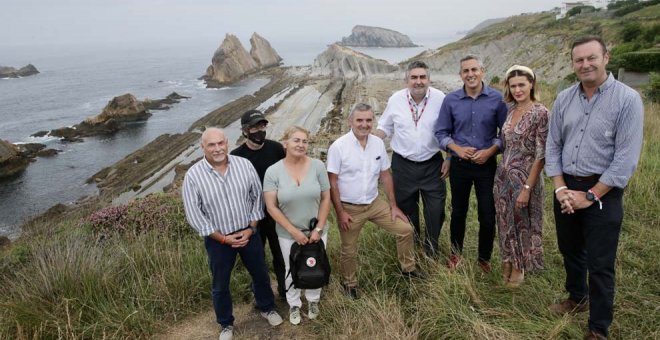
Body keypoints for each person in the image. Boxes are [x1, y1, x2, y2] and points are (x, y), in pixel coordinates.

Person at [545, 36, 643, 340]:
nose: (585, 64)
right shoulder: (564, 99)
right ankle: (578, 298)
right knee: (570, 249)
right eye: (578, 60)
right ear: (573, 63)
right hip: (566, 188)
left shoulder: (627, 99)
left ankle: (598, 329)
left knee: (601, 263)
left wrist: (590, 196)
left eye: (591, 58)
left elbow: (625, 159)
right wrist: (561, 190)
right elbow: (553, 146)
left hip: (603, 193)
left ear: (606, 58)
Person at [182, 127, 283, 340]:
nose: (217, 148)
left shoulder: (244, 165)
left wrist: (251, 228)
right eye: (211, 145)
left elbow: (257, 197)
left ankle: (267, 308)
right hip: (218, 239)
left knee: (260, 274)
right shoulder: (193, 175)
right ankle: (226, 324)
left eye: (220, 143)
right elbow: (194, 214)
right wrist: (223, 238)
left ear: (227, 143)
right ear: (203, 148)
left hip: (249, 233)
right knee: (220, 284)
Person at [328, 103, 422, 299]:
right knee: (349, 250)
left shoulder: (378, 143)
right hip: (350, 208)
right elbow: (333, 183)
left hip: (375, 203)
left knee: (405, 230)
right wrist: (340, 213)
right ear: (350, 121)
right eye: (359, 120)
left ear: (373, 121)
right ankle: (350, 285)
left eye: (368, 120)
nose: (364, 124)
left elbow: (386, 175)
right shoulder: (338, 147)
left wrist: (393, 206)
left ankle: (409, 270)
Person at [434, 55, 507, 272]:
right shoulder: (451, 100)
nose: (470, 74)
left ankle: (484, 259)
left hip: (487, 165)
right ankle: (456, 255)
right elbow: (441, 132)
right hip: (460, 166)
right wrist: (456, 150)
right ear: (460, 75)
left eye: (474, 69)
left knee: (487, 214)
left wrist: (490, 151)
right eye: (465, 71)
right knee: (458, 212)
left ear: (482, 71)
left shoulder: (498, 99)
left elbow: (505, 133)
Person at [374, 60, 449, 257]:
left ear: (429, 79)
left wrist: (449, 157)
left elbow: (451, 129)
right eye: (414, 77)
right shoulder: (396, 99)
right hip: (403, 165)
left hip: (433, 164)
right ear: (407, 80)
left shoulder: (441, 98)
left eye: (422, 77)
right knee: (407, 212)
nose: (418, 81)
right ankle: (412, 247)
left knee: (436, 210)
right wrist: (370, 141)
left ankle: (431, 249)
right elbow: (385, 127)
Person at [263, 126, 331, 326]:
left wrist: (318, 229)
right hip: (287, 233)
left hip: (316, 230)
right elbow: (271, 207)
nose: (301, 145)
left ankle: (313, 301)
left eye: (305, 141)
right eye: (296, 140)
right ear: (285, 142)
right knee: (290, 267)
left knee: (314, 264)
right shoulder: (273, 171)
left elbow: (326, 198)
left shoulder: (318, 166)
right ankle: (294, 304)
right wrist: (294, 232)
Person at [493, 65, 549, 288]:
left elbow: (541, 154)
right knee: (505, 221)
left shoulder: (541, 112)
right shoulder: (509, 110)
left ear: (532, 84)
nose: (517, 90)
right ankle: (507, 260)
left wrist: (527, 187)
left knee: (522, 223)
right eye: (513, 85)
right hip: (503, 177)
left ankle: (520, 267)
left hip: (526, 178)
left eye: (521, 85)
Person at [230, 109, 287, 299]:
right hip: (251, 218)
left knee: (281, 255)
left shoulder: (277, 149)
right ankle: (260, 295)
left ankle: (285, 291)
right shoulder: (235, 157)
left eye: (262, 125)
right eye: (254, 127)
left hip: (277, 214)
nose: (259, 131)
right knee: (257, 259)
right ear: (244, 130)